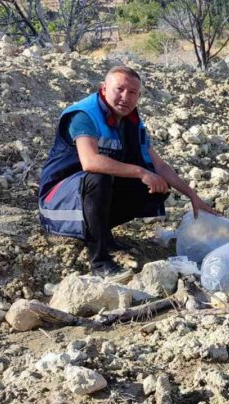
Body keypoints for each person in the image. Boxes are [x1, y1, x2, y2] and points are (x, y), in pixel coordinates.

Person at [38, 66, 216, 281]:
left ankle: (103, 234)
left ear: (139, 96)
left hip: (84, 199)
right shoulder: (84, 115)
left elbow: (159, 165)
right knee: (99, 177)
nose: (125, 97)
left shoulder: (131, 123)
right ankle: (100, 260)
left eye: (132, 92)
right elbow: (90, 162)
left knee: (157, 187)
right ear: (103, 89)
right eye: (119, 89)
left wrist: (193, 196)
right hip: (57, 204)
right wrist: (140, 171)